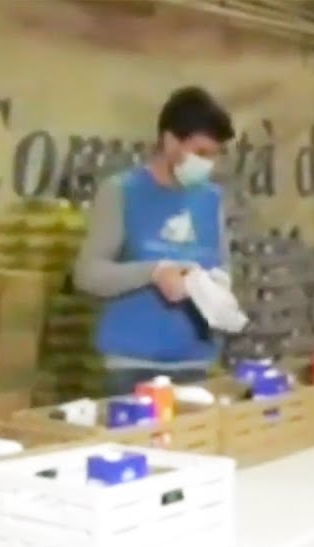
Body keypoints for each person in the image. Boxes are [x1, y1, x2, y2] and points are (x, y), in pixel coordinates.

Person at [73, 86, 235, 396]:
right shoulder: (122, 192)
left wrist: (211, 285)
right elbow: (88, 274)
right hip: (131, 368)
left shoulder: (211, 199)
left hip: (196, 365)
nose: (209, 163)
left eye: (215, 154)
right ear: (170, 140)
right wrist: (154, 272)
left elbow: (224, 269)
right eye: (201, 153)